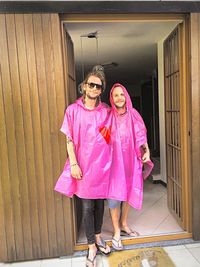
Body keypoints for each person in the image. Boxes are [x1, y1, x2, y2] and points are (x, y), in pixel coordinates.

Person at [54, 66, 111, 267]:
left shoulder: (105, 112)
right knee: (87, 206)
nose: (95, 88)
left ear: (101, 90)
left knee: (99, 203)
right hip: (82, 166)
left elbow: (108, 138)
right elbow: (69, 140)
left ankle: (97, 237)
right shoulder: (72, 111)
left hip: (101, 167)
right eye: (92, 84)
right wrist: (74, 164)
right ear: (84, 86)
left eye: (99, 86)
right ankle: (91, 246)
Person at [107, 83, 154, 251]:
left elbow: (142, 135)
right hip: (114, 164)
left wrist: (146, 151)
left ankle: (124, 223)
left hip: (131, 161)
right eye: (115, 95)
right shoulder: (108, 116)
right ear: (111, 98)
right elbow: (102, 140)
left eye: (122, 94)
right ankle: (116, 232)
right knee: (114, 196)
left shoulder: (133, 114)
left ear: (126, 96)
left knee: (127, 193)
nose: (119, 98)